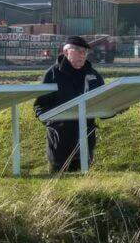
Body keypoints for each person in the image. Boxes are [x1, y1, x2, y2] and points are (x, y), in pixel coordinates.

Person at [33, 36, 105, 173]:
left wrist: (116, 107)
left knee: (84, 184)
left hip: (85, 139)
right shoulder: (53, 74)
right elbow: (40, 106)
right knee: (60, 183)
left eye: (85, 51)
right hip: (60, 142)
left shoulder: (93, 74)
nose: (82, 54)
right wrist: (53, 124)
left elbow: (103, 100)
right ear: (66, 52)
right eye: (78, 50)